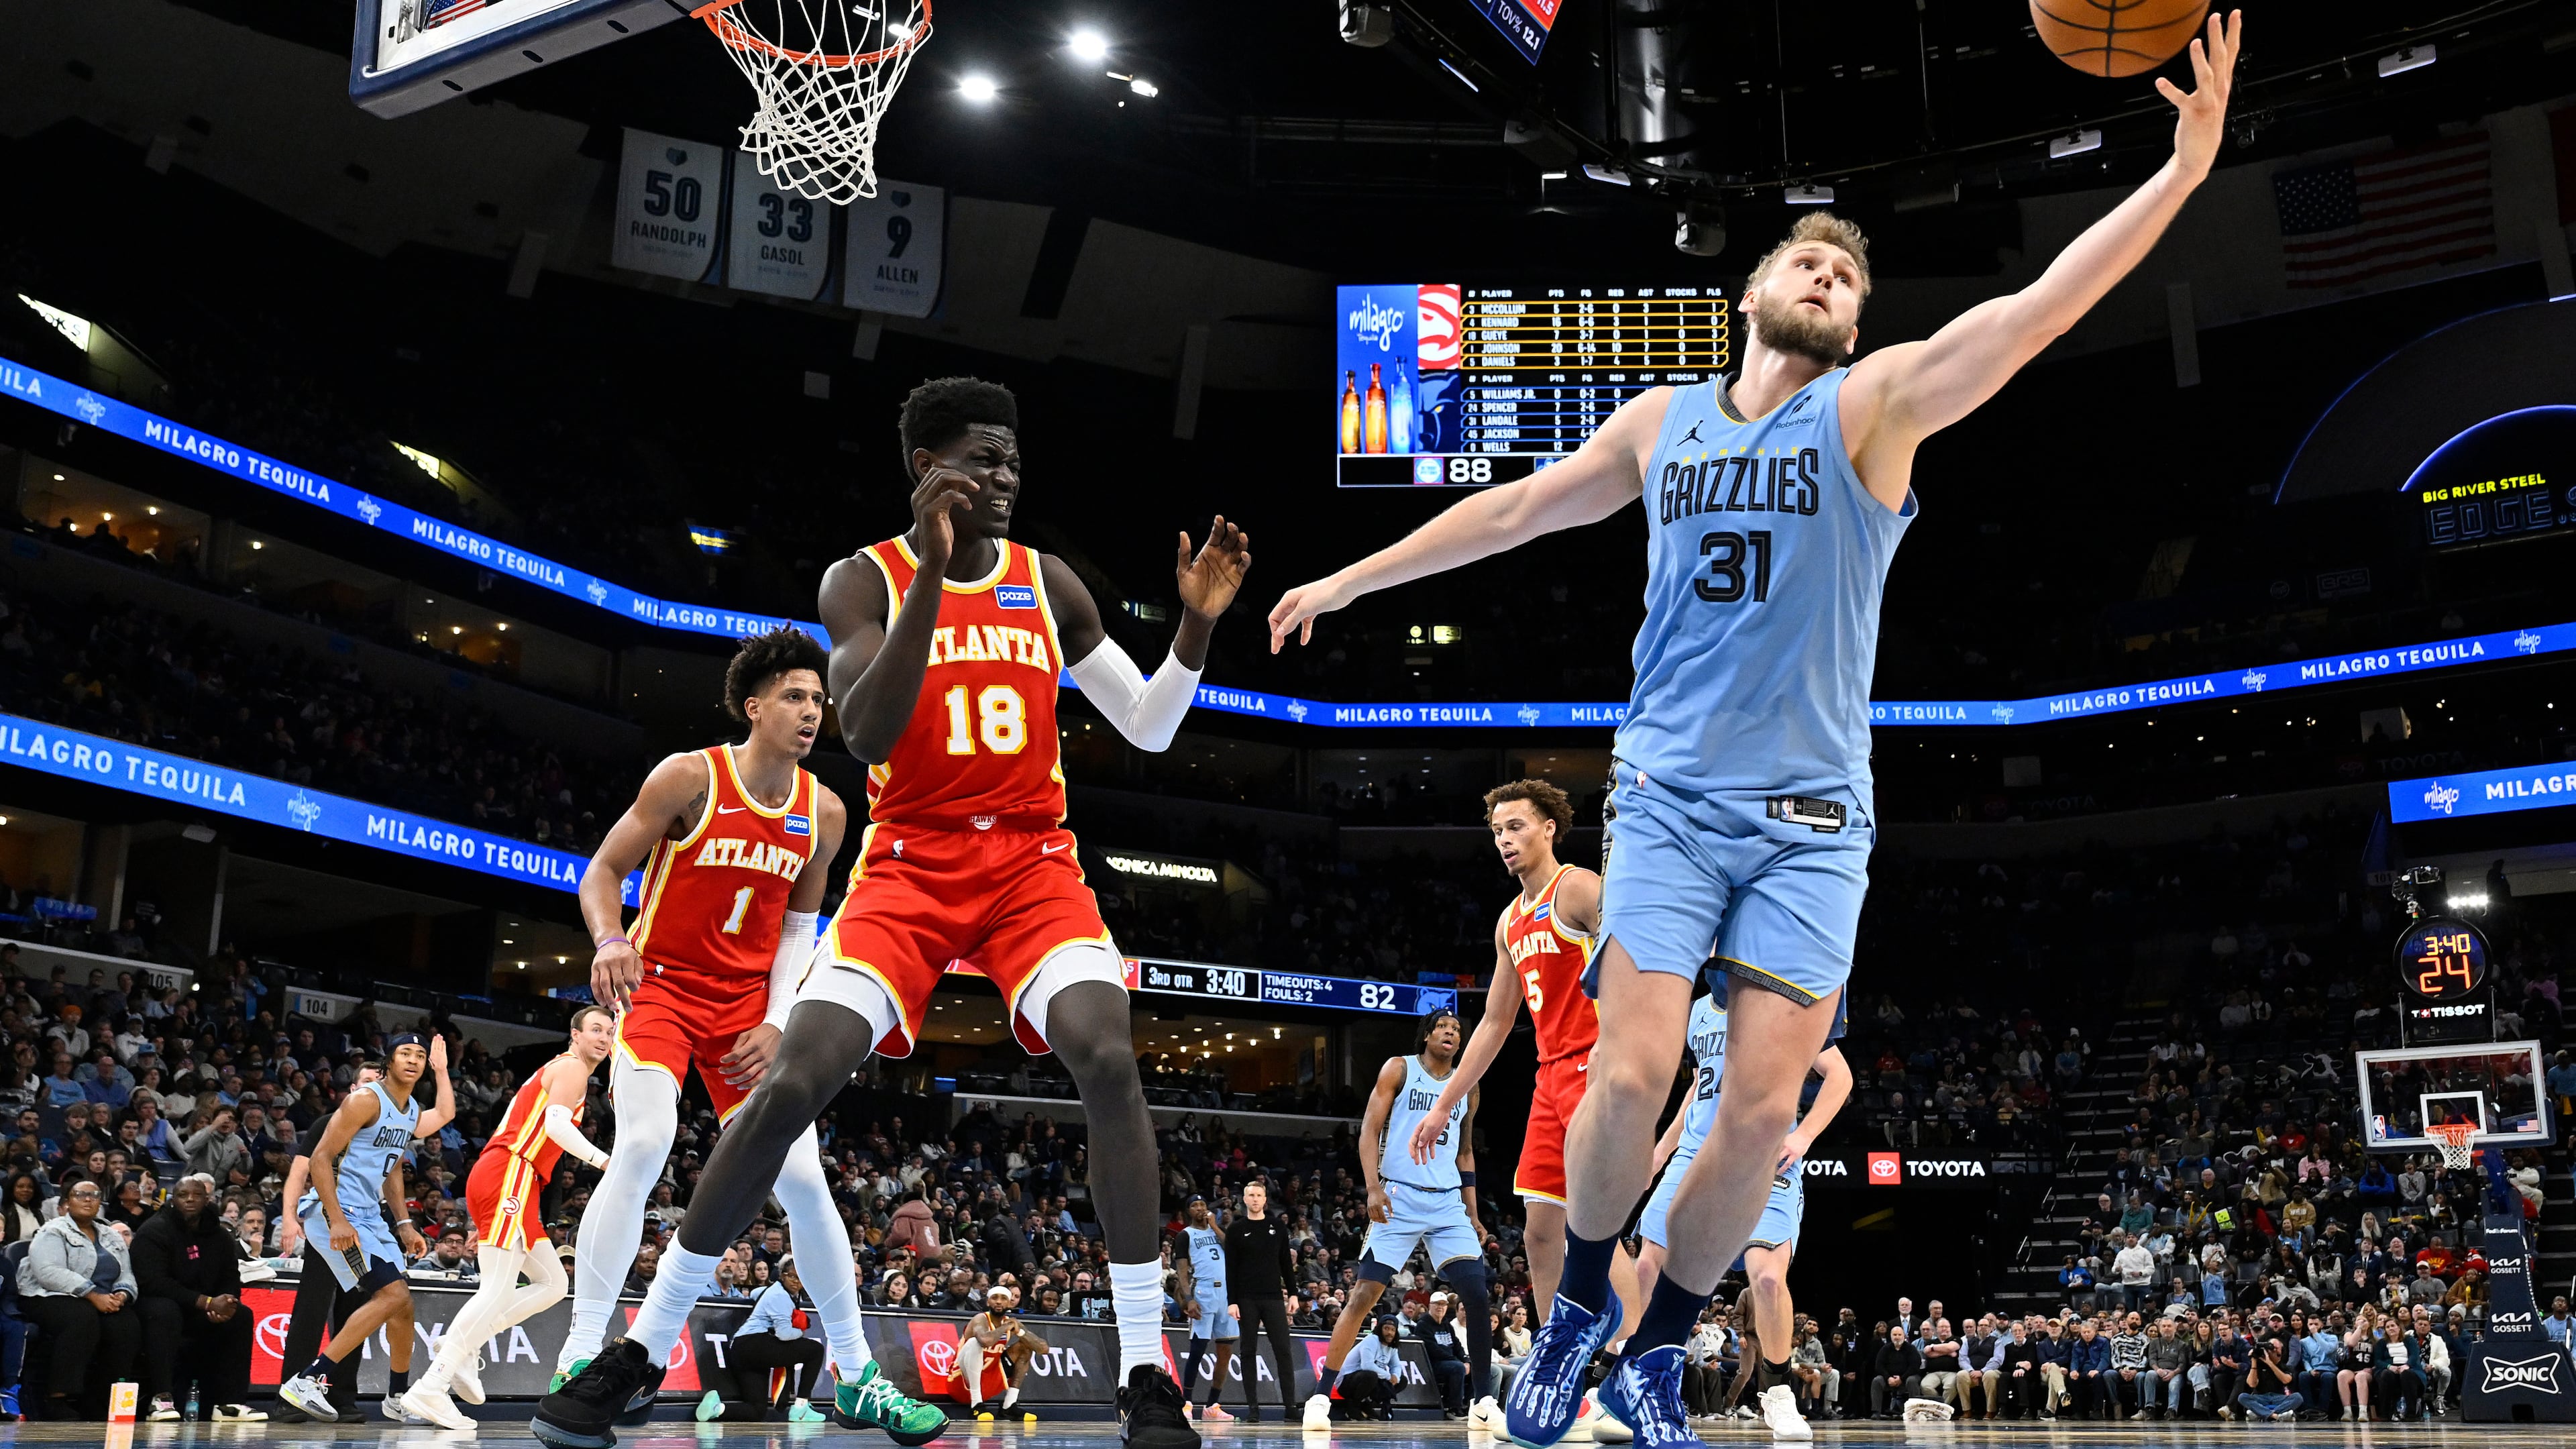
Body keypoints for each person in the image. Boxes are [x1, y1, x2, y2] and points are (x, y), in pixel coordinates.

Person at [1269, 16, 2247, 1449]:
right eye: (1808, 257)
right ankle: (1588, 1317)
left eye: (1849, 274)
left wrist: (2185, 169)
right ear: (1753, 289)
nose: (1830, 276)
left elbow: (2034, 311)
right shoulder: (1663, 422)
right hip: (1666, 791)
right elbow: (1516, 508)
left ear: (1856, 322)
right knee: (1631, 1064)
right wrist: (1356, 575)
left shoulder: (1873, 407)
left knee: (1755, 1114)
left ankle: (1660, 1348)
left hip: (1811, 818)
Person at [537, 378, 1250, 1449]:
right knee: (790, 1087)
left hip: (1030, 867)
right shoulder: (860, 581)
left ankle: (1147, 1369)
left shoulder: (1049, 584)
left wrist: (1193, 627)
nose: (1006, 479)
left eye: (1015, 461)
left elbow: (1147, 727)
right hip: (908, 869)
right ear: (929, 471)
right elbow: (865, 733)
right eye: (984, 461)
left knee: (1107, 1054)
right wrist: (930, 573)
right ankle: (641, 1352)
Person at [549, 628, 912, 1432]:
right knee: (645, 1143)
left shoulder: (824, 810)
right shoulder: (689, 777)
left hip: (749, 1013)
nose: (813, 710)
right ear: (754, 707)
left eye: (819, 699)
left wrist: (781, 1021)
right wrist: (611, 940)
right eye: (795, 696)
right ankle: (582, 1345)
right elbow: (603, 871)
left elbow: (800, 932)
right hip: (663, 990)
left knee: (806, 1182)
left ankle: (856, 1372)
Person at [1407, 780, 1641, 1328]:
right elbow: (1493, 1022)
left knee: (1595, 1225)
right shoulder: (1509, 920)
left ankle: (1632, 1364)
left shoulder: (1580, 887)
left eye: (1516, 827)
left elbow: (1635, 966)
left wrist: (1621, 1051)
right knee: (1539, 1231)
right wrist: (1445, 1104)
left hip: (1595, 1066)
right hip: (1550, 1078)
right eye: (1497, 832)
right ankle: (1556, 1360)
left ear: (1549, 828)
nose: (1504, 840)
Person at [1636, 977, 1847, 1441]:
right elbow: (1698, 1085)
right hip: (1695, 1152)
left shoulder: (1778, 997)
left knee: (1768, 1278)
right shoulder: (1694, 1011)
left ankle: (1778, 1393)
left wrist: (1804, 1135)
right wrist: (1661, 1150)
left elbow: (1840, 1075)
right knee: (1647, 1267)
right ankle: (1650, 1384)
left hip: (1762, 1152)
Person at [400, 1006, 616, 1429]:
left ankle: (463, 1345)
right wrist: (603, 1160)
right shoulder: (572, 1068)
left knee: (554, 1283)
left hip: (517, 1179)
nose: (604, 1037)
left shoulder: (568, 1072)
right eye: (595, 1029)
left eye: (610, 1031)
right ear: (575, 1035)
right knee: (497, 1289)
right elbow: (555, 1127)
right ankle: (433, 1383)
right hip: (511, 1172)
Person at [1302, 1012, 1493, 1430]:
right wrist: (1373, 1188)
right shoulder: (1400, 1068)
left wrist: (1473, 1213)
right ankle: (1320, 1397)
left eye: (1458, 1030)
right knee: (1363, 1295)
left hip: (1446, 1203)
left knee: (1477, 1294)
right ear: (1427, 1034)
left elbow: (1464, 1153)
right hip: (1400, 1196)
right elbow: (1369, 1130)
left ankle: (1483, 1403)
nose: (1451, 1033)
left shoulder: (1468, 1086)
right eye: (1444, 1027)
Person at [275, 1033, 448, 1421]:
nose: (414, 1060)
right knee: (378, 1298)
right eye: (406, 1053)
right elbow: (316, 1161)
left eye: (421, 1055)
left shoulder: (408, 1110)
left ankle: (398, 1396)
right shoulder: (362, 1101)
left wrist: (404, 1223)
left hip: (369, 1216)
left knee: (402, 1304)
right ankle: (307, 1380)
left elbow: (393, 1169)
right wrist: (332, 1219)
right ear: (388, 1061)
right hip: (334, 1214)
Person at [131, 1173, 264, 1423]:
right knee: (164, 1309)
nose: (190, 1200)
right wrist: (205, 1302)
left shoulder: (221, 1236)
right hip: (159, 1306)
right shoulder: (154, 1230)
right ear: (173, 1200)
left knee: (241, 1316)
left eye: (196, 1195)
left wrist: (226, 1304)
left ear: (208, 1200)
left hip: (203, 1310)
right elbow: (153, 1282)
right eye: (183, 1195)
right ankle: (161, 1399)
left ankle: (229, 1403)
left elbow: (230, 1277)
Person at [15, 1179, 142, 1419]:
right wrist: (93, 1295)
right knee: (81, 1317)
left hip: (100, 1298)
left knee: (126, 1324)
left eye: (94, 1195)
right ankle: (58, 1398)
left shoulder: (111, 1235)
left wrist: (122, 1294)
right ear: (66, 1203)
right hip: (47, 1295)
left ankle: (103, 1399)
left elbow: (126, 1273)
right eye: (80, 1195)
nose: (88, 1199)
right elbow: (49, 1273)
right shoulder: (52, 1231)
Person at [698, 1255, 830, 1423]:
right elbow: (784, 1334)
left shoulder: (771, 1290)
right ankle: (801, 1407)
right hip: (754, 1344)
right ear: (782, 1275)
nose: (797, 1281)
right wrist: (801, 1331)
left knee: (757, 1410)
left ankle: (717, 1408)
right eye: (792, 1276)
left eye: (801, 1278)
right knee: (815, 1350)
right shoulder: (780, 1296)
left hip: (742, 1350)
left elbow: (755, 1293)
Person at [1223, 1179, 1301, 1421]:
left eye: (1259, 1195)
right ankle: (1253, 1408)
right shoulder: (1235, 1230)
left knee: (1283, 1351)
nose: (1255, 1199)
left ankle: (1290, 1407)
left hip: (1274, 1298)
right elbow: (1231, 1269)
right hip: (1246, 1298)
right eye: (1251, 1195)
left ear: (1265, 1200)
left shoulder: (1277, 1227)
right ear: (1244, 1200)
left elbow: (1286, 1264)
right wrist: (1232, 1301)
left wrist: (1294, 1293)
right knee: (1248, 1351)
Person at [1171, 1197, 1239, 1421]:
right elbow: (1182, 1272)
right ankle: (1187, 1402)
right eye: (1194, 1206)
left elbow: (1233, 1250)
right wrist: (1188, 1298)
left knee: (1225, 1352)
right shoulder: (1185, 1235)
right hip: (1204, 1292)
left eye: (1203, 1205)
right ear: (1188, 1211)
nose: (1200, 1209)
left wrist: (1214, 1226)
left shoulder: (1217, 1231)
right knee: (1198, 1348)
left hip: (1227, 1294)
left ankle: (1212, 1406)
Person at [955, 1283, 1049, 1421]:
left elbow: (1043, 1349)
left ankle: (1009, 1406)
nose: (999, 1301)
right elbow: (985, 1340)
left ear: (1010, 1303)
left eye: (1003, 1298)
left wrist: (1020, 1332)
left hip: (987, 1380)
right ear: (988, 1302)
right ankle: (976, 1405)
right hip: (961, 1382)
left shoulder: (1011, 1322)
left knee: (1026, 1346)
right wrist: (1006, 1327)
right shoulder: (980, 1319)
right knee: (975, 1342)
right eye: (995, 1298)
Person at [1334, 1317, 1407, 1421]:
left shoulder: (1392, 1347)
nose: (1389, 1333)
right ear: (1380, 1329)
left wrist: (1396, 1377)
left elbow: (1396, 1366)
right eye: (1386, 1329)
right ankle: (1353, 1406)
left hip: (1367, 1380)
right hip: (1346, 1382)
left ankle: (1368, 1405)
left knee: (1402, 1380)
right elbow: (1367, 1366)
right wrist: (1389, 1376)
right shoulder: (1372, 1340)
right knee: (1371, 1375)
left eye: (1393, 1330)